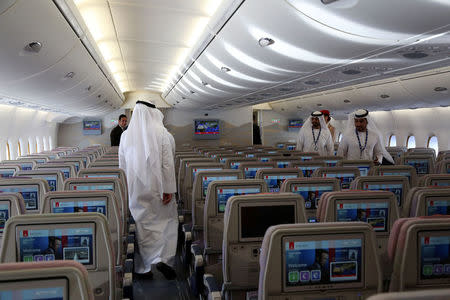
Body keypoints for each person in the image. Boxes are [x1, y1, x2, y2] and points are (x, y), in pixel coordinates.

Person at [119, 101, 177, 280]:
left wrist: (126, 188)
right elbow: (168, 163)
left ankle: (144, 268)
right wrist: (168, 189)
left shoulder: (126, 136)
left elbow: (122, 166)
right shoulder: (163, 133)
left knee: (142, 227)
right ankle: (164, 259)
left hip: (136, 190)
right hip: (159, 189)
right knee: (166, 223)